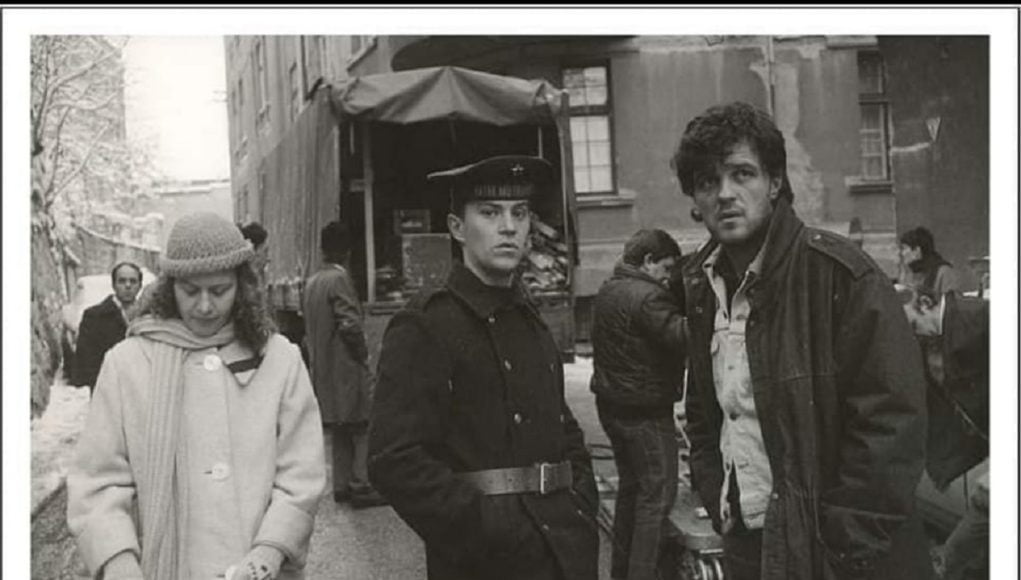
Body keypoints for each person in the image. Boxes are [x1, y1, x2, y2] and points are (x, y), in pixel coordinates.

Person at [671, 102, 933, 580]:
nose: (725, 194)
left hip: (839, 556)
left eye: (742, 174)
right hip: (749, 544)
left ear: (774, 182)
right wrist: (718, 497)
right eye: (708, 181)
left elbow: (892, 423)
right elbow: (705, 416)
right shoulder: (703, 289)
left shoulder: (840, 276)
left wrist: (844, 544)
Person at [369, 155, 600, 580]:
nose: (509, 227)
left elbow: (561, 424)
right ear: (457, 228)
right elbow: (394, 459)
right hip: (486, 562)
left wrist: (581, 497)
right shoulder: (426, 325)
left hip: (564, 551)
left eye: (519, 213)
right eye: (490, 213)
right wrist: (485, 531)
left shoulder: (530, 319)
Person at [67, 212, 327, 580]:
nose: (205, 306)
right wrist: (118, 562)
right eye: (190, 291)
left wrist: (270, 550)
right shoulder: (126, 364)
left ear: (242, 286)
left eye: (219, 291)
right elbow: (99, 481)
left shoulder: (280, 359)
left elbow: (301, 472)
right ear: (169, 287)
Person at [590, 228, 686, 580]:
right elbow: (684, 338)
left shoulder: (609, 288)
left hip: (612, 405)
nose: (669, 277)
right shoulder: (649, 297)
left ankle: (622, 573)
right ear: (648, 262)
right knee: (657, 497)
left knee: (632, 492)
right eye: (666, 268)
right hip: (644, 411)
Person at [902, 288, 989, 580]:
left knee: (986, 499)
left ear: (925, 303)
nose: (915, 333)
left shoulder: (976, 315)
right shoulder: (936, 336)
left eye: (914, 323)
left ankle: (943, 567)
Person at [302, 221, 386, 509]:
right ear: (348, 252)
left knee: (340, 428)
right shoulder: (339, 280)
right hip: (346, 368)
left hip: (325, 370)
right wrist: (364, 356)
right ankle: (361, 484)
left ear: (322, 249)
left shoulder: (313, 282)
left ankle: (341, 485)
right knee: (362, 425)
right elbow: (349, 324)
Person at [72, 262, 143, 393]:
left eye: (133, 281)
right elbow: (85, 362)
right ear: (113, 285)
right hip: (106, 390)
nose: (128, 286)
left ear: (140, 286)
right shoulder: (94, 316)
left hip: (139, 390)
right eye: (122, 281)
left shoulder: (147, 316)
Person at [898, 226, 961, 296]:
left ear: (917, 250)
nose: (901, 253)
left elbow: (952, 300)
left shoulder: (944, 272)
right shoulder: (908, 272)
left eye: (904, 248)